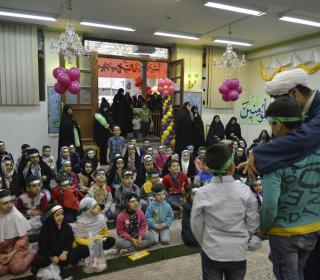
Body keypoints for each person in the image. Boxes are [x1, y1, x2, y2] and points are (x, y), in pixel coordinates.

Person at [240, 69, 320, 279]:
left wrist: (258, 153)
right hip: (313, 223)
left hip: (286, 232)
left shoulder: (277, 158)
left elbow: (270, 204)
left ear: (294, 94)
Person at [259, 96, 320, 279]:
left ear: (278, 125)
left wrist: (263, 228)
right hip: (313, 227)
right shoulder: (316, 146)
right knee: (301, 271)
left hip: (285, 232)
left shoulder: (273, 154)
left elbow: (269, 204)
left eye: (271, 124)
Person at [191, 143, 259, 280]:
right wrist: (244, 238)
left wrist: (205, 242)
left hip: (211, 251)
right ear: (232, 166)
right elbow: (253, 221)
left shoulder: (202, 193)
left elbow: (196, 224)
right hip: (237, 252)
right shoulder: (244, 191)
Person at [31, 204, 89, 275]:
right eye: (57, 215)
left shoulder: (65, 225)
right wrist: (52, 256)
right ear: (50, 217)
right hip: (51, 255)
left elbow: (70, 240)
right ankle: (60, 263)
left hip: (63, 253)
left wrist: (65, 252)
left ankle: (61, 263)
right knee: (39, 260)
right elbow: (43, 246)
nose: (61, 217)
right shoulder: (46, 229)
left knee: (83, 249)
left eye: (62, 214)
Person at [0, 189, 36, 277]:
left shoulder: (16, 216)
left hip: (15, 249)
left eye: (11, 202)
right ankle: (7, 266)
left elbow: (23, 238)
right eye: (5, 203)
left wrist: (10, 254)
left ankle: (32, 253)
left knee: (17, 268)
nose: (10, 205)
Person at [74, 197, 115, 273]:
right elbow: (78, 239)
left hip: (98, 240)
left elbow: (105, 232)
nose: (98, 207)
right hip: (87, 243)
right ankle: (94, 254)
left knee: (111, 240)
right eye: (94, 207)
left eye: (97, 205)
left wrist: (101, 237)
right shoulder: (81, 222)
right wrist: (91, 241)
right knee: (80, 251)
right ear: (87, 211)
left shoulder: (101, 217)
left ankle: (99, 252)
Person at [94, 97, 114, 165]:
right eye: (104, 107)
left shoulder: (109, 114)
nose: (105, 109)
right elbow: (96, 126)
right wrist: (103, 126)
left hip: (108, 134)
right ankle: (102, 161)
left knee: (108, 147)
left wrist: (109, 125)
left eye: (107, 107)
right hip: (101, 135)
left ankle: (108, 160)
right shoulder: (98, 115)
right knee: (102, 148)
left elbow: (112, 122)